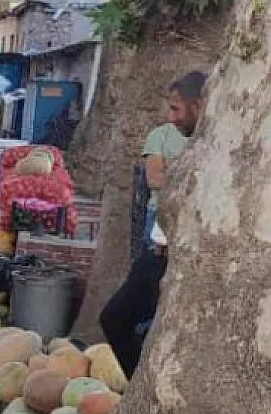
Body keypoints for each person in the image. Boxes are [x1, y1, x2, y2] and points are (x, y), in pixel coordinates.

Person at [100, 70, 207, 376]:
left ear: (198, 106)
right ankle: (140, 391)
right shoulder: (175, 141)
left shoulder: (212, 150)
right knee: (115, 319)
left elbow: (165, 178)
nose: (171, 117)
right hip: (156, 250)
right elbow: (154, 178)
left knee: (149, 329)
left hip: (175, 261)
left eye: (176, 108)